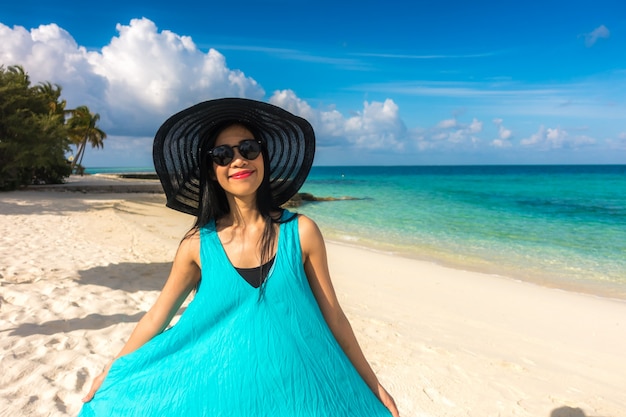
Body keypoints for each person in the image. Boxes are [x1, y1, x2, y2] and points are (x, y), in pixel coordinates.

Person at [79, 98, 399, 417]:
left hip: (299, 396)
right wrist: (112, 369)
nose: (238, 161)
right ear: (212, 169)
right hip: (222, 396)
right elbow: (156, 318)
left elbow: (335, 318)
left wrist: (373, 385)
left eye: (248, 148)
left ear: (263, 156)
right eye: (222, 154)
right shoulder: (196, 245)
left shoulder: (301, 233)